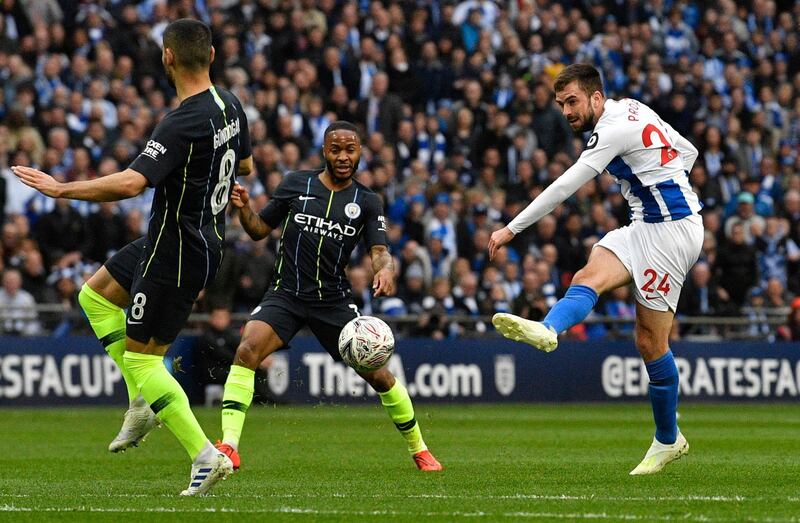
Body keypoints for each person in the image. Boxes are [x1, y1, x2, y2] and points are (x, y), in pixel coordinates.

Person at [12, 19, 252, 496]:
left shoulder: (182, 120)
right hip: (189, 238)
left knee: (145, 361)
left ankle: (205, 457)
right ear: (212, 55)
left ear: (167, 57)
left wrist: (62, 188)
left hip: (177, 250)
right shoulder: (232, 105)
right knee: (95, 295)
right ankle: (141, 406)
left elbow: (131, 182)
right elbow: (244, 165)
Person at [488, 64, 704, 475]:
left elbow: (565, 186)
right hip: (648, 224)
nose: (566, 111)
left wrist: (511, 229)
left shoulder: (611, 129)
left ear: (596, 98)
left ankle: (667, 439)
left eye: (572, 101)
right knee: (591, 278)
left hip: (671, 234)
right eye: (560, 104)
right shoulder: (634, 109)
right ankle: (549, 329)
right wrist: (672, 180)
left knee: (653, 343)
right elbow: (688, 149)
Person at [217, 121, 442, 472]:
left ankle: (420, 449)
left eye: (349, 149)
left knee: (380, 375)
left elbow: (379, 249)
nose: (342, 156)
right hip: (286, 295)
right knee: (246, 349)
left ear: (359, 153)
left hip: (333, 301)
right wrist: (244, 208)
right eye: (335, 149)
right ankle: (229, 446)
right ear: (324, 151)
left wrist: (385, 268)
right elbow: (259, 229)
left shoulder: (367, 201)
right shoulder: (296, 183)